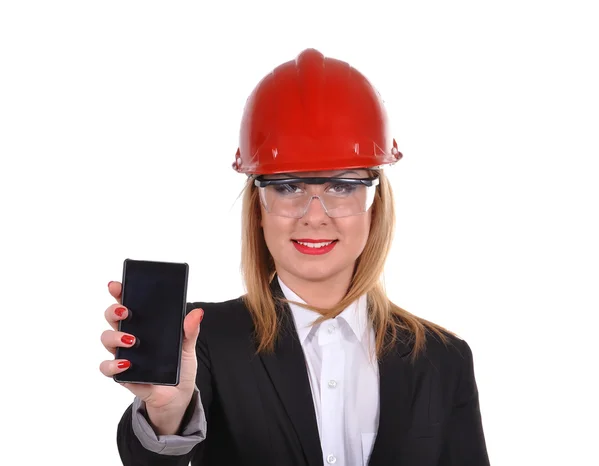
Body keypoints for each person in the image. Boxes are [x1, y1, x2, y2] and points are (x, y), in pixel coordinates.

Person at [100, 48, 490, 466]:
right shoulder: (202, 341)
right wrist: (167, 416)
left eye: (342, 186)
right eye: (288, 187)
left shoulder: (443, 358)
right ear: (258, 208)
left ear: (375, 205)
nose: (315, 216)